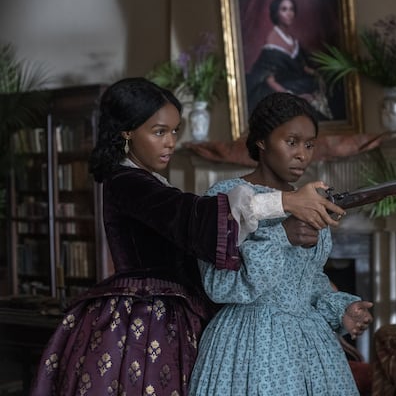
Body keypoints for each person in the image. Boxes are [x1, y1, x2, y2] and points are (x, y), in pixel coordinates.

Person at [29, 77, 346, 396]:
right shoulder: (125, 182)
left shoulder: (152, 181)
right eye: (159, 132)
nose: (170, 142)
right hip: (144, 316)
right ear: (127, 132)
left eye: (174, 131)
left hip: (178, 311)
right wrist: (284, 202)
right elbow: (190, 216)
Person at [188, 92, 373, 395]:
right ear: (261, 141)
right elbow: (218, 285)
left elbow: (309, 279)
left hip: (312, 348)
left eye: (309, 144)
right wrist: (281, 235)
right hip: (249, 345)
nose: (303, 154)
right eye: (291, 142)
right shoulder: (226, 196)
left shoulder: (312, 201)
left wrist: (341, 308)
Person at [245, 0, 332, 119]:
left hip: (296, 82)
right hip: (277, 88)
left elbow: (302, 65)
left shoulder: (292, 39)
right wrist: (291, 95)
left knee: (319, 84)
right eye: (284, 9)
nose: (289, 13)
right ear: (276, 13)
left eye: (291, 9)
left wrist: (318, 74)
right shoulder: (272, 41)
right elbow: (270, 80)